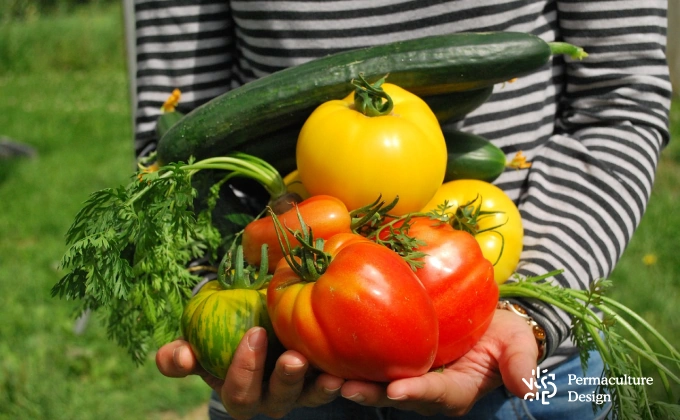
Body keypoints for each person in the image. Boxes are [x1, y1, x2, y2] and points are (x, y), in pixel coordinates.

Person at [133, 1, 672, 419]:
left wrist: (531, 313)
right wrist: (214, 298)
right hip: (279, 346)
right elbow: (173, 145)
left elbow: (621, 102)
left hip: (529, 367)